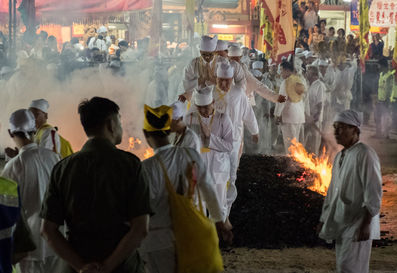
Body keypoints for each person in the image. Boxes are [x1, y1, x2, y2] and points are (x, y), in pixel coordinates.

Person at [40, 97, 152, 273]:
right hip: (123, 267)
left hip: (76, 264)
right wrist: (107, 267)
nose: (121, 127)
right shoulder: (130, 165)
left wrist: (82, 267)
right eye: (119, 121)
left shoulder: (63, 168)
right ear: (110, 124)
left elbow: (48, 231)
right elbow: (140, 228)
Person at [139, 104, 232, 273]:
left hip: (158, 242)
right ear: (169, 131)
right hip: (190, 234)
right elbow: (209, 190)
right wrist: (220, 221)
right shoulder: (190, 155)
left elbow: (141, 209)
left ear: (146, 134)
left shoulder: (146, 168)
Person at [318, 110, 382, 273]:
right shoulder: (340, 156)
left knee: (352, 267)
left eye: (341, 128)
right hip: (342, 219)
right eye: (335, 128)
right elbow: (332, 191)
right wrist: (324, 218)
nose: (336, 132)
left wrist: (366, 223)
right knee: (344, 265)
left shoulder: (366, 154)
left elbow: (373, 190)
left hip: (358, 221)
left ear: (354, 129)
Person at [1, 109, 60, 273]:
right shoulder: (54, 158)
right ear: (35, 130)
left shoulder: (13, 167)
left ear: (10, 132)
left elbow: (7, 213)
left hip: (30, 249)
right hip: (58, 244)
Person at [214, 62, 259, 222]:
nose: (224, 83)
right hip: (214, 144)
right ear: (216, 78)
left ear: (232, 79)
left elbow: (248, 113)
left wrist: (255, 131)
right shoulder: (210, 93)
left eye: (227, 80)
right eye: (221, 80)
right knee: (216, 177)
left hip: (233, 142)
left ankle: (226, 214)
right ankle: (216, 212)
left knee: (231, 176)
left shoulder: (239, 93)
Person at [185, 86, 234, 221]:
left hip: (218, 168)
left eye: (206, 107)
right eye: (199, 107)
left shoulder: (223, 118)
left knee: (219, 205)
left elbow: (229, 145)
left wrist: (209, 137)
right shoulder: (189, 119)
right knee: (197, 204)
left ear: (213, 103)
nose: (202, 110)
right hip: (198, 168)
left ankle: (220, 235)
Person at [274, 61, 306, 153]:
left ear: (287, 70)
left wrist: (277, 114)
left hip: (289, 115)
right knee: (296, 143)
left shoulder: (286, 82)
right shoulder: (300, 80)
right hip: (299, 116)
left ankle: (291, 165)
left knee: (290, 145)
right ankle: (296, 163)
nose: (280, 73)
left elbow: (282, 100)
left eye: (281, 70)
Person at [305, 65, 326, 156]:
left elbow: (320, 103)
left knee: (314, 142)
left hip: (315, 118)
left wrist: (316, 116)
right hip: (306, 117)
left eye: (308, 73)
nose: (306, 74)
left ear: (314, 75)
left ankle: (314, 162)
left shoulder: (319, 85)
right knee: (304, 141)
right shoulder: (307, 84)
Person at [373, 58, 394, 139]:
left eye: (380, 66)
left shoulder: (389, 76)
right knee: (377, 117)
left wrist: (388, 100)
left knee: (386, 117)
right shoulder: (381, 74)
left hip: (385, 100)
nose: (379, 67)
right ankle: (378, 133)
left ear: (383, 66)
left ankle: (386, 135)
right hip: (379, 99)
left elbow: (390, 89)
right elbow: (379, 87)